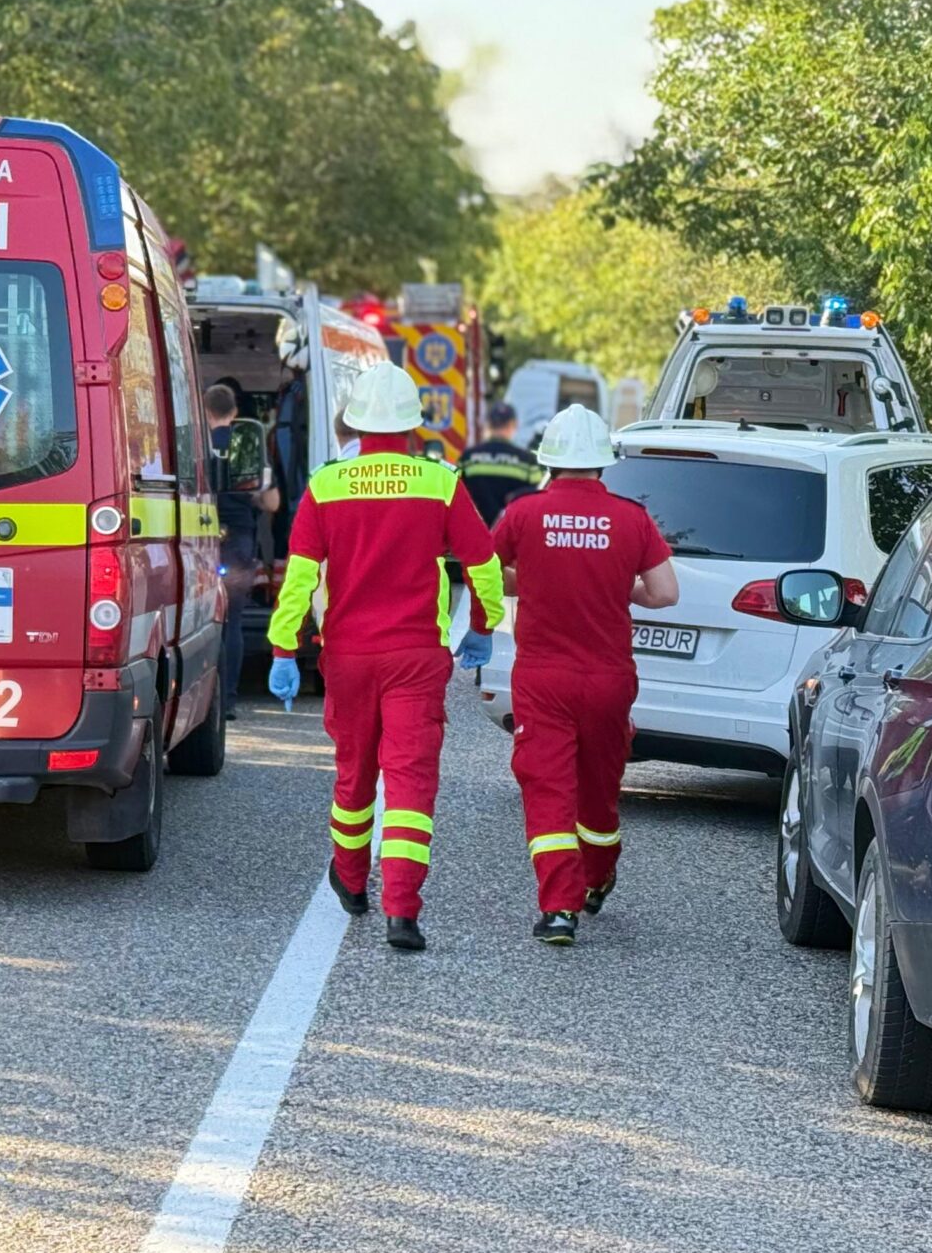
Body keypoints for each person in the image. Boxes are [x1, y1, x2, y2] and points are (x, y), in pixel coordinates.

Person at [266, 361, 503, 951]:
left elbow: (299, 578)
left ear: (354, 422)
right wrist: (483, 626)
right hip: (416, 657)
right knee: (409, 783)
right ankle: (402, 912)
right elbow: (484, 564)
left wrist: (284, 646)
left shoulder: (326, 485)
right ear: (413, 425)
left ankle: (350, 882)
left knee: (355, 775)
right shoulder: (440, 482)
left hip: (348, 657)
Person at [485, 405, 679, 947]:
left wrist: (530, 581)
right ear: (603, 463)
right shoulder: (631, 518)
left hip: (543, 677)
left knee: (548, 788)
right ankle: (597, 875)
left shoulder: (523, 514)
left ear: (548, 461)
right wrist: (622, 588)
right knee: (598, 791)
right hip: (608, 677)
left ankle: (558, 910)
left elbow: (485, 572)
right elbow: (665, 593)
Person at [205, 382, 279, 719]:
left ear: (205, 411)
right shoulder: (250, 447)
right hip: (239, 542)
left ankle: (203, 701)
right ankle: (228, 701)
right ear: (235, 411)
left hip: (201, 538)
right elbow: (272, 502)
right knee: (232, 620)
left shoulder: (193, 443)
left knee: (201, 622)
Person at [458, 399, 541, 530]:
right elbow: (536, 498)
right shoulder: (527, 461)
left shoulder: (468, 458)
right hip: (511, 534)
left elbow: (456, 495)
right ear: (513, 425)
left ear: (488, 424)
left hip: (474, 533)